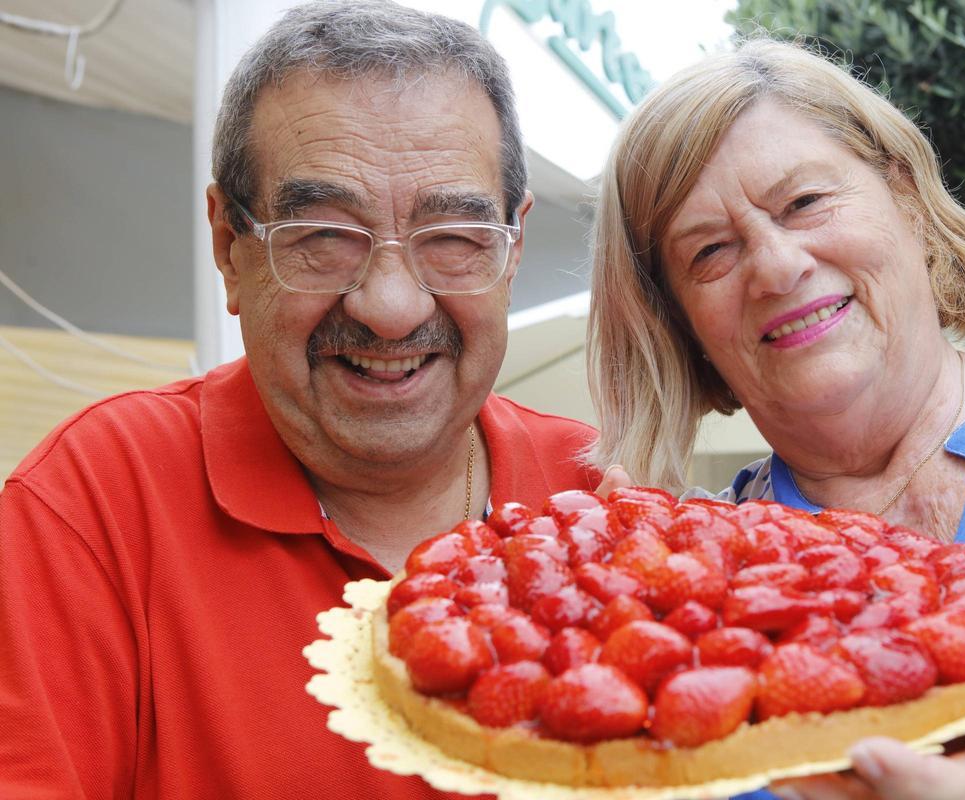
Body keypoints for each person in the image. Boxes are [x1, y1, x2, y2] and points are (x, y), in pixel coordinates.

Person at [0, 2, 604, 796]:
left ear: (512, 248)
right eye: (322, 236)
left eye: (453, 238)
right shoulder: (94, 503)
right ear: (228, 249)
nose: (391, 307)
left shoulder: (603, 494)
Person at [587, 38, 965, 800]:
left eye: (805, 203)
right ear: (680, 327)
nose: (778, 267)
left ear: (905, 196)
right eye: (711, 251)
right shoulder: (702, 591)